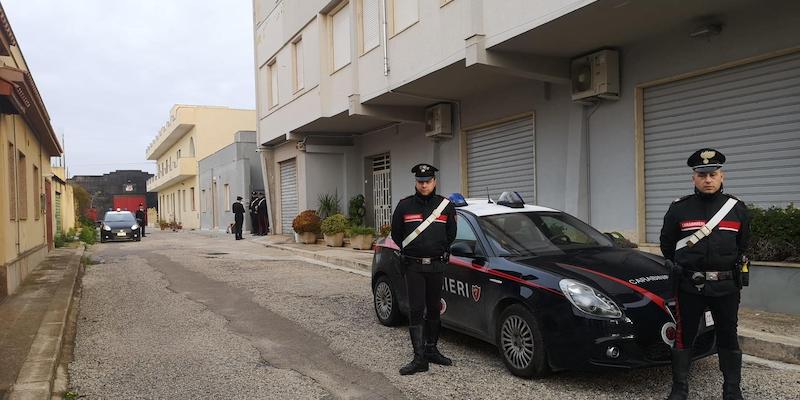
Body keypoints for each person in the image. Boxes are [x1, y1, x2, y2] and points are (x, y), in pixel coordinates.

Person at [660, 149, 750, 400]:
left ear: (722, 176)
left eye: (713, 174)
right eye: (702, 175)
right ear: (694, 178)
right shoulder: (679, 209)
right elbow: (667, 245)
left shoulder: (737, 209)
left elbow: (742, 246)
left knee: (728, 335)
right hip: (691, 286)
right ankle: (679, 388)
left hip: (726, 287)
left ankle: (732, 389)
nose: (708, 179)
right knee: (684, 335)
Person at [390, 163, 457, 375]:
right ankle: (419, 358)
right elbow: (396, 234)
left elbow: (451, 234)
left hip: (436, 265)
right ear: (416, 183)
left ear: (434, 182)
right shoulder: (404, 206)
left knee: (435, 308)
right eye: (420, 182)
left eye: (428, 181)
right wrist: (416, 250)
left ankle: (431, 350)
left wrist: (436, 249)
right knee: (417, 310)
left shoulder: (446, 206)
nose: (424, 185)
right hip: (414, 267)